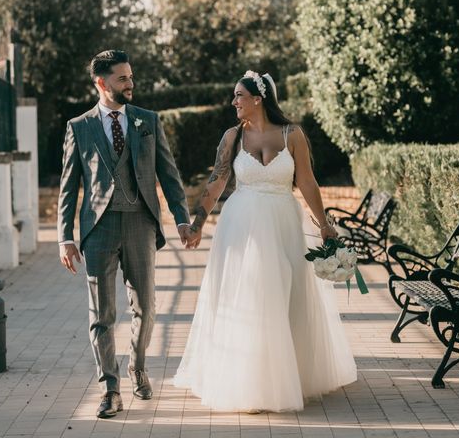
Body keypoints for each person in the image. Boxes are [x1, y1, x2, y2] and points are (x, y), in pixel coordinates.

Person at [174, 71, 357, 412]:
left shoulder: (293, 135)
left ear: (258, 99)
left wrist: (325, 226)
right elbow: (217, 181)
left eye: (238, 96)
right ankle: (248, 379)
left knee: (284, 295)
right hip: (241, 226)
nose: (234, 102)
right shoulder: (233, 136)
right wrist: (197, 223)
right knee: (249, 295)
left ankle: (289, 376)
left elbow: (307, 181)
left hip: (283, 223)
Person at [57, 50, 191, 418]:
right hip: (98, 229)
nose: (130, 84)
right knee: (102, 313)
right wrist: (64, 238)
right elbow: (69, 188)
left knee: (145, 308)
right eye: (122, 78)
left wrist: (182, 219)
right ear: (101, 83)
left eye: (131, 77)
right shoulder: (79, 126)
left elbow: (170, 174)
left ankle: (137, 365)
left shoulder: (148, 121)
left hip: (141, 224)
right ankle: (110, 388)